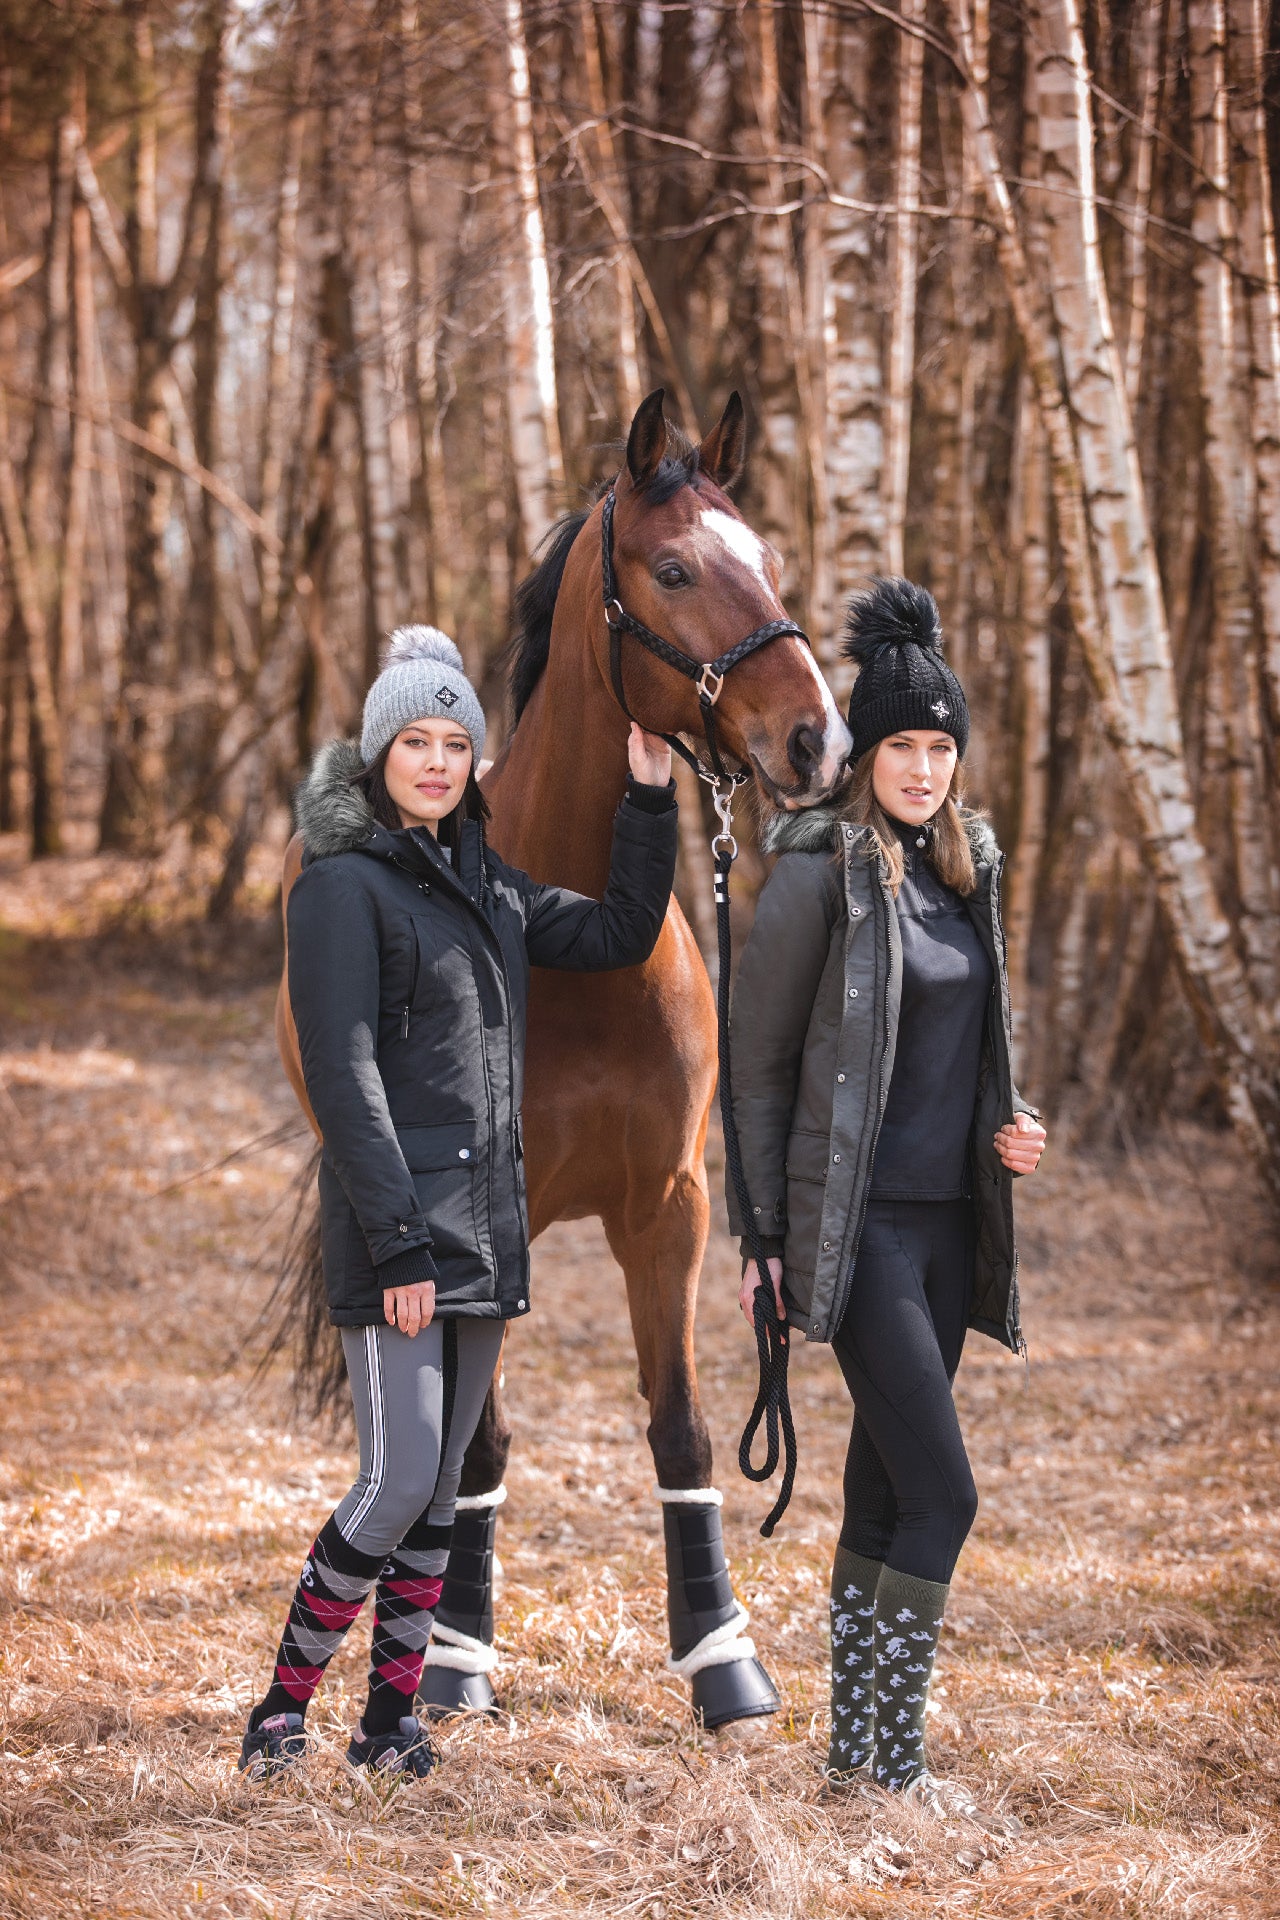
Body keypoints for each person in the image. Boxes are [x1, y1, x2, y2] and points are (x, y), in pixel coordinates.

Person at [241, 626, 676, 1779]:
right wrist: (395, 1247)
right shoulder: (340, 888)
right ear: (380, 756)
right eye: (415, 741)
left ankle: (389, 1724)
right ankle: (280, 1709)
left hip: (485, 1232)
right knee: (389, 1485)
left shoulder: (489, 887)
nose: (437, 761)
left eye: (455, 742)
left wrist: (646, 800)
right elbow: (342, 1075)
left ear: (475, 762)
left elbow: (620, 930)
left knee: (437, 1487)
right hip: (401, 1239)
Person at [727, 579, 1047, 1817]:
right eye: (901, 745)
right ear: (866, 753)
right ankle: (895, 1767)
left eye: (939, 746)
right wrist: (761, 1238)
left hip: (948, 1231)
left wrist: (1009, 1133)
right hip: (853, 1233)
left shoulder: (969, 875)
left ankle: (849, 1764)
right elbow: (755, 1074)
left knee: (883, 1491)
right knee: (944, 1496)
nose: (922, 767)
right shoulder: (820, 878)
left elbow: (977, 1051)